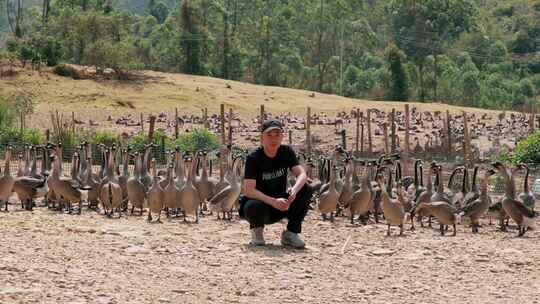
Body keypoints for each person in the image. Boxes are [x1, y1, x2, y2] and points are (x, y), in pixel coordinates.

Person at [239, 119, 313, 248]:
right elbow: (248, 190)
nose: (273, 139)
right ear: (262, 138)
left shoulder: (286, 152)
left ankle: (291, 233)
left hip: (281, 205)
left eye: (277, 135)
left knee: (306, 188)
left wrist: (294, 190)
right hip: (261, 206)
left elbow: (302, 174)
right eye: (269, 135)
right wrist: (273, 201)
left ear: (282, 137)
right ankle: (257, 233)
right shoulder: (253, 158)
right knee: (253, 205)